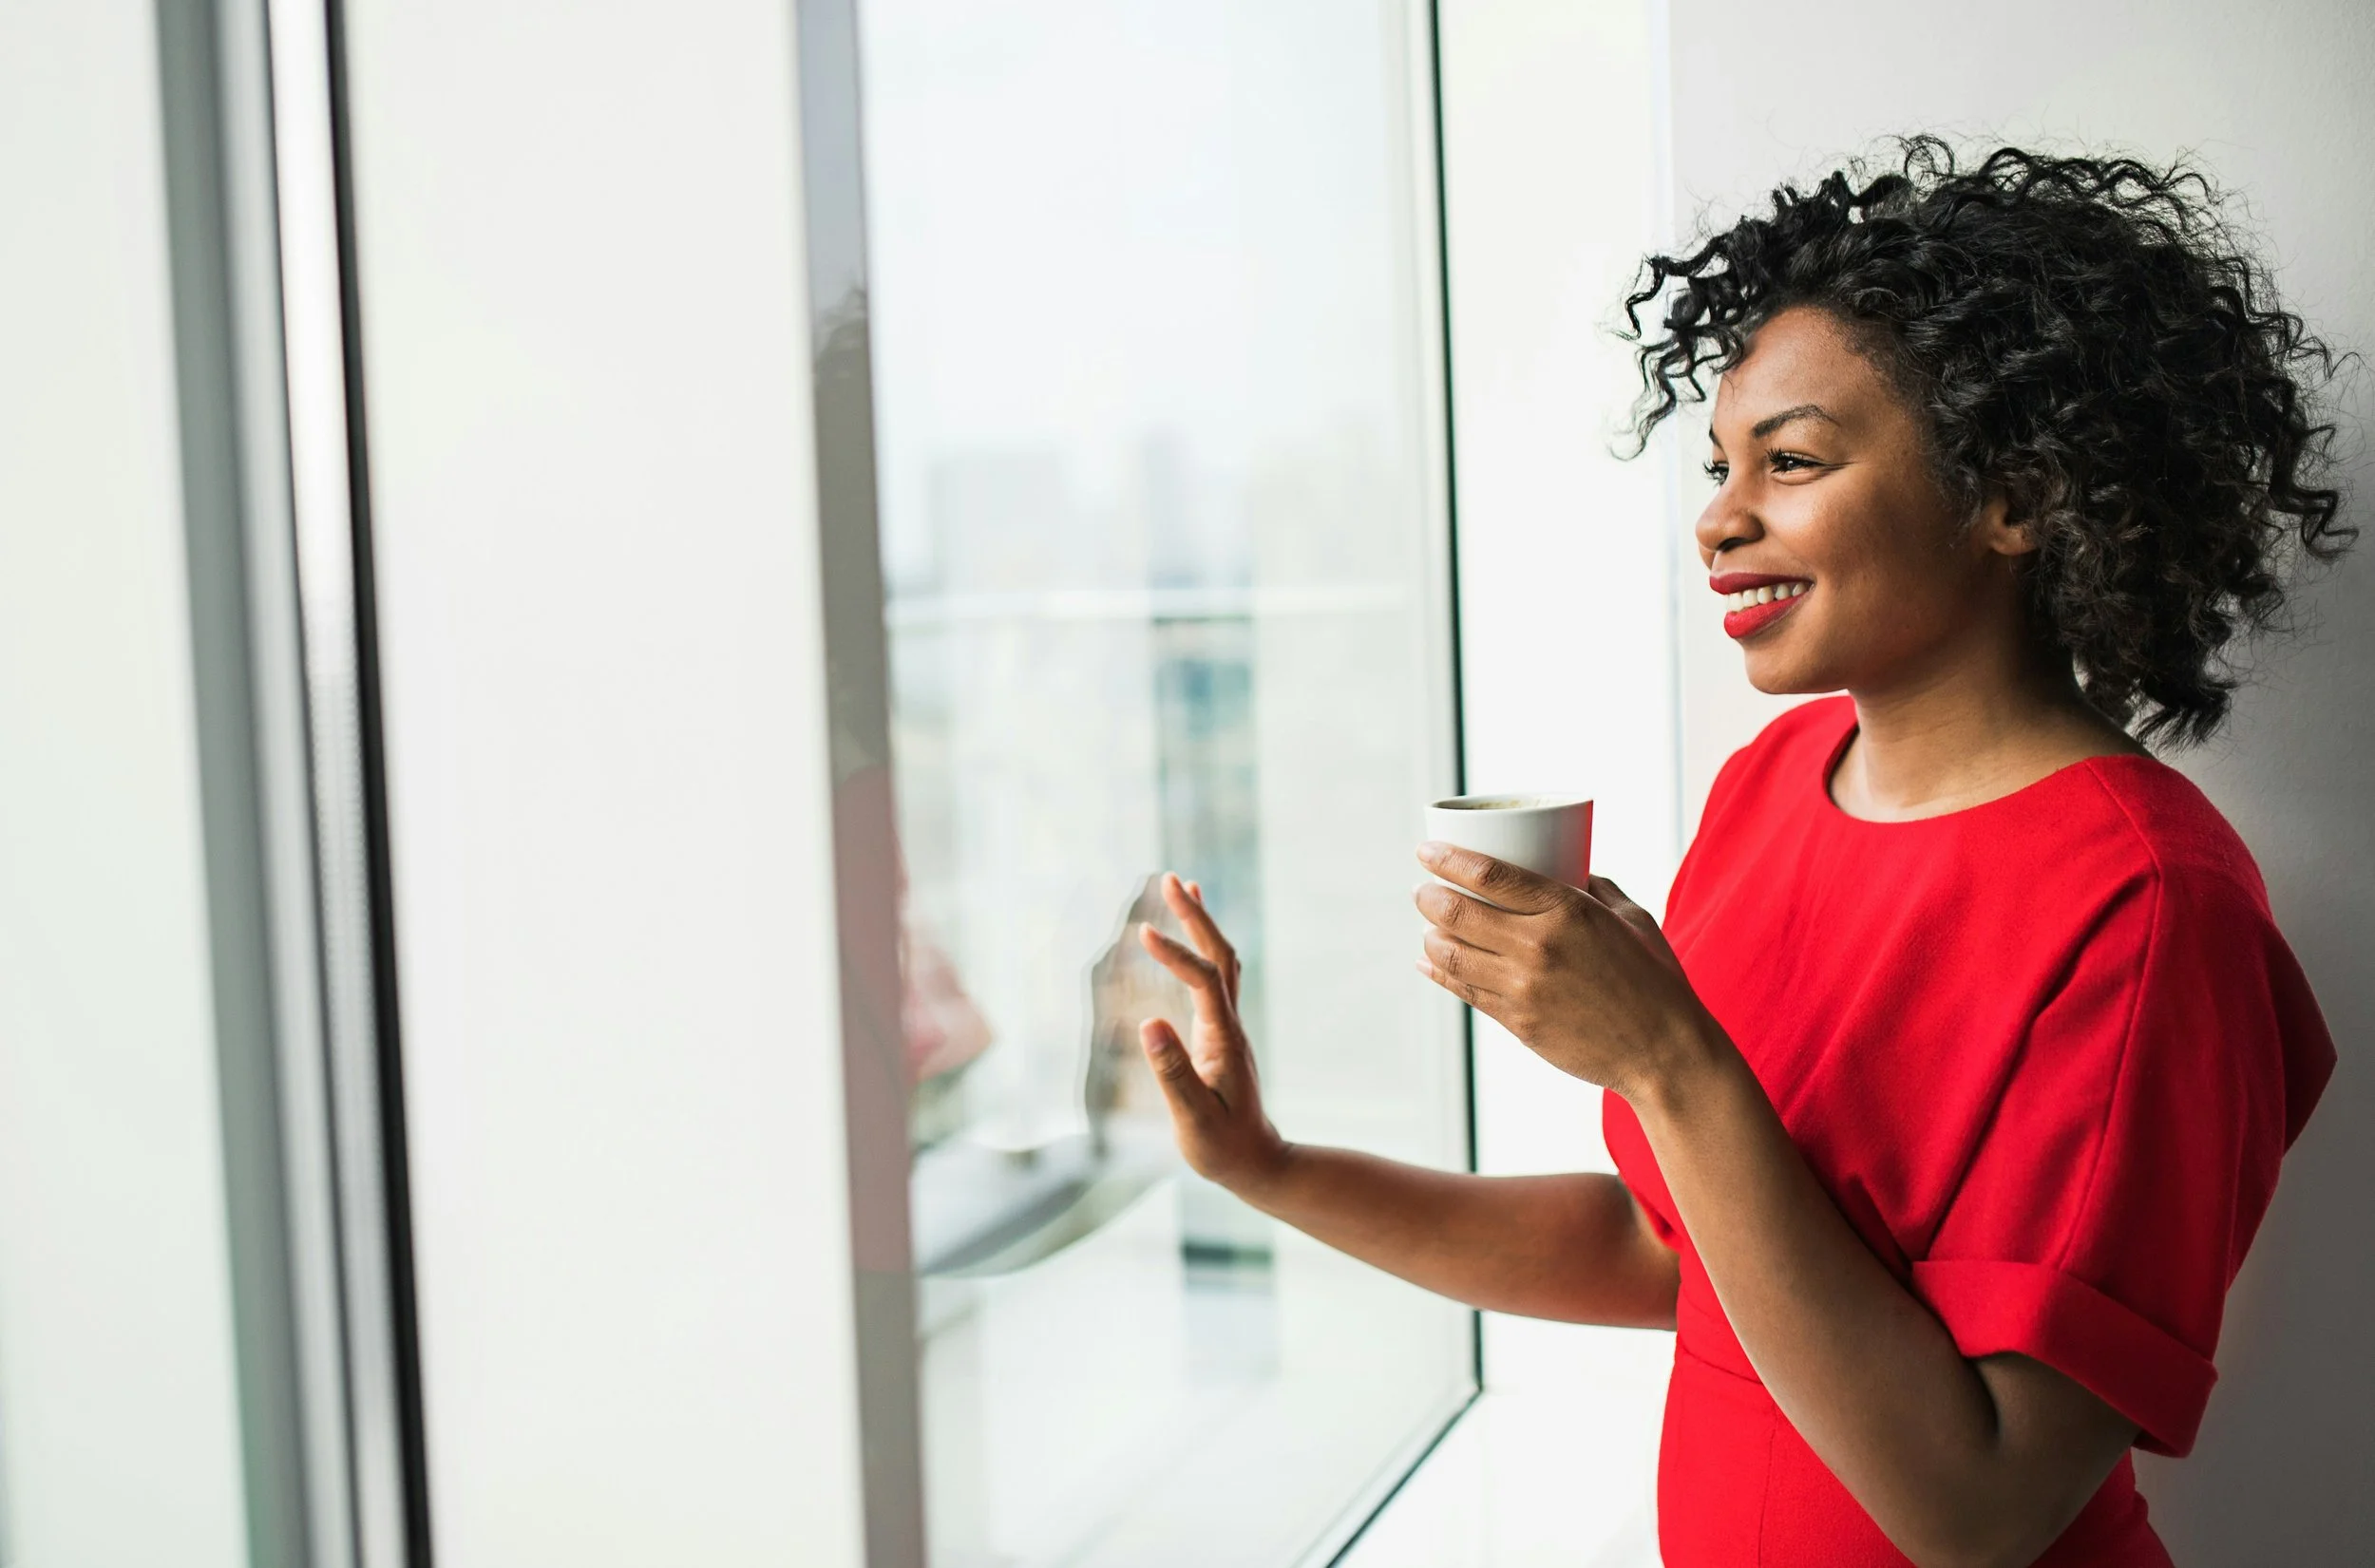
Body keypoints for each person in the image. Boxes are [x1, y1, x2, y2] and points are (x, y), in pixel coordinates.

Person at [1131, 140, 2346, 1568]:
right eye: (1719, 466)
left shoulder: (2151, 907)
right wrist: (1268, 1168)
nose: (1717, 517)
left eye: (1795, 460)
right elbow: (1672, 1258)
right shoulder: (1770, 788)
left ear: (2015, 498)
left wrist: (1667, 1056)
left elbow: (1983, 1508)